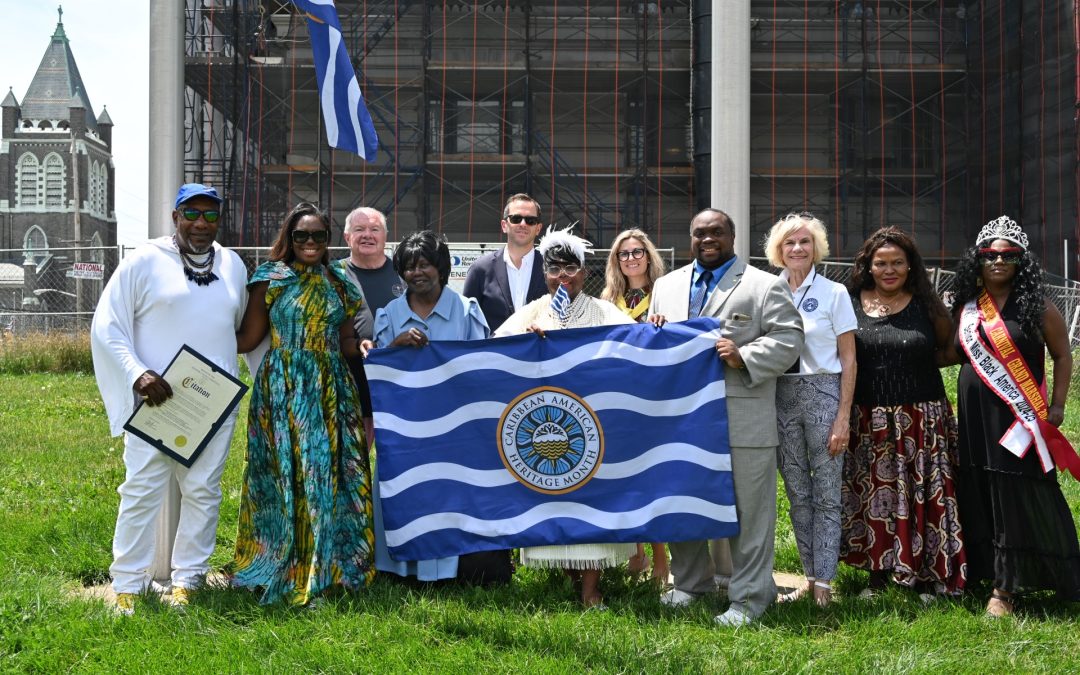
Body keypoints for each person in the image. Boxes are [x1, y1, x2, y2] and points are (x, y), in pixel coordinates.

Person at [90, 183, 248, 614]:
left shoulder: (233, 265)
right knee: (141, 489)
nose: (201, 223)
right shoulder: (144, 261)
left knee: (203, 491)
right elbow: (108, 325)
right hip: (157, 401)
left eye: (210, 215)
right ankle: (128, 583)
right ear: (175, 216)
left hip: (212, 405)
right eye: (191, 213)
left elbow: (236, 327)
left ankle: (189, 581)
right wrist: (137, 373)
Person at [648, 208, 804, 626]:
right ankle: (689, 584)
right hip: (680, 421)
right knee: (683, 503)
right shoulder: (666, 285)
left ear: (732, 237)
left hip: (743, 419)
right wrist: (654, 328)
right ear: (691, 238)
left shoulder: (764, 285)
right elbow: (655, 347)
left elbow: (790, 338)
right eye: (699, 233)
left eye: (716, 232)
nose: (707, 239)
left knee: (750, 514)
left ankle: (750, 598)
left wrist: (744, 356)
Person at [229, 202, 375, 606]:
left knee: (329, 472)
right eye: (301, 235)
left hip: (332, 387)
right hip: (284, 386)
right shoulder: (271, 278)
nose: (310, 242)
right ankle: (283, 560)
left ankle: (329, 564)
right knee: (285, 472)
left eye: (318, 236)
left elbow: (345, 340)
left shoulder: (339, 280)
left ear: (328, 240)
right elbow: (248, 339)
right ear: (289, 239)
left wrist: (362, 345)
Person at [495, 226, 638, 608]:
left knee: (591, 502)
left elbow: (636, 345)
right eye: (554, 269)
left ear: (584, 272)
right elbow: (497, 348)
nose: (563, 276)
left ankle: (591, 588)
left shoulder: (603, 311)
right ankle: (570, 576)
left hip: (594, 429)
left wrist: (654, 328)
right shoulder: (533, 311)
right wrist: (526, 342)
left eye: (570, 268)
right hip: (547, 427)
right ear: (544, 273)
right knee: (553, 499)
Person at [947, 216, 1080, 617]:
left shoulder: (1037, 306)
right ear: (978, 260)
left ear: (1022, 261)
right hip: (974, 415)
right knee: (980, 486)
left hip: (1017, 419)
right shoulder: (968, 307)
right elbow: (952, 353)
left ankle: (1005, 589)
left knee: (1013, 491)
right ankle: (982, 571)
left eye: (1008, 255)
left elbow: (1062, 355)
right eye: (990, 254)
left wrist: (1058, 405)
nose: (998, 261)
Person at [359, 231, 507, 585]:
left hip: (456, 431)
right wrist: (393, 348)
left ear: (441, 268)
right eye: (409, 267)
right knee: (406, 493)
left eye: (424, 264)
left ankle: (456, 569)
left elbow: (481, 370)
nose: (417, 273)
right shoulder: (389, 315)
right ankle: (401, 569)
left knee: (454, 495)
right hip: (406, 431)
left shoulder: (468, 311)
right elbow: (380, 377)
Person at [842, 227, 966, 598]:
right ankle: (878, 576)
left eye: (897, 262)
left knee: (923, 495)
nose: (889, 270)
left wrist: (913, 364)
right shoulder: (849, 301)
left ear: (910, 266)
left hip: (921, 419)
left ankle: (928, 575)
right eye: (881, 263)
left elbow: (952, 348)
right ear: (868, 266)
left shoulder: (926, 303)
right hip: (869, 421)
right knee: (876, 497)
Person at [763, 213, 857, 607]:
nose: (797, 248)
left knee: (827, 495)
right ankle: (809, 576)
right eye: (789, 242)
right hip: (781, 397)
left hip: (824, 395)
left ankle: (825, 586)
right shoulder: (768, 292)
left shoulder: (835, 292)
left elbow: (849, 359)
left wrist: (843, 417)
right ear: (778, 251)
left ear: (816, 247)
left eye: (804, 241)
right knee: (798, 493)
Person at [600, 228, 670, 582]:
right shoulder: (607, 299)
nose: (631, 259)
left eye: (637, 252)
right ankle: (636, 553)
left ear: (648, 255)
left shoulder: (666, 294)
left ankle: (661, 558)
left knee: (651, 478)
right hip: (617, 396)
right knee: (625, 475)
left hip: (654, 396)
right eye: (623, 254)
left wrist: (664, 323)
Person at [338, 206, 402, 444]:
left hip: (395, 382)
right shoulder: (334, 275)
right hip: (348, 381)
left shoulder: (404, 274)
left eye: (374, 229)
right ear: (347, 237)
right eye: (359, 229)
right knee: (353, 457)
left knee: (395, 456)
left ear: (385, 236)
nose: (367, 235)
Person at [462, 193, 548, 331]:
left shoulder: (551, 269)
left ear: (538, 228)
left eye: (530, 220)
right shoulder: (480, 269)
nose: (523, 224)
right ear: (504, 225)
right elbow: (466, 320)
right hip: (493, 345)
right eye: (516, 219)